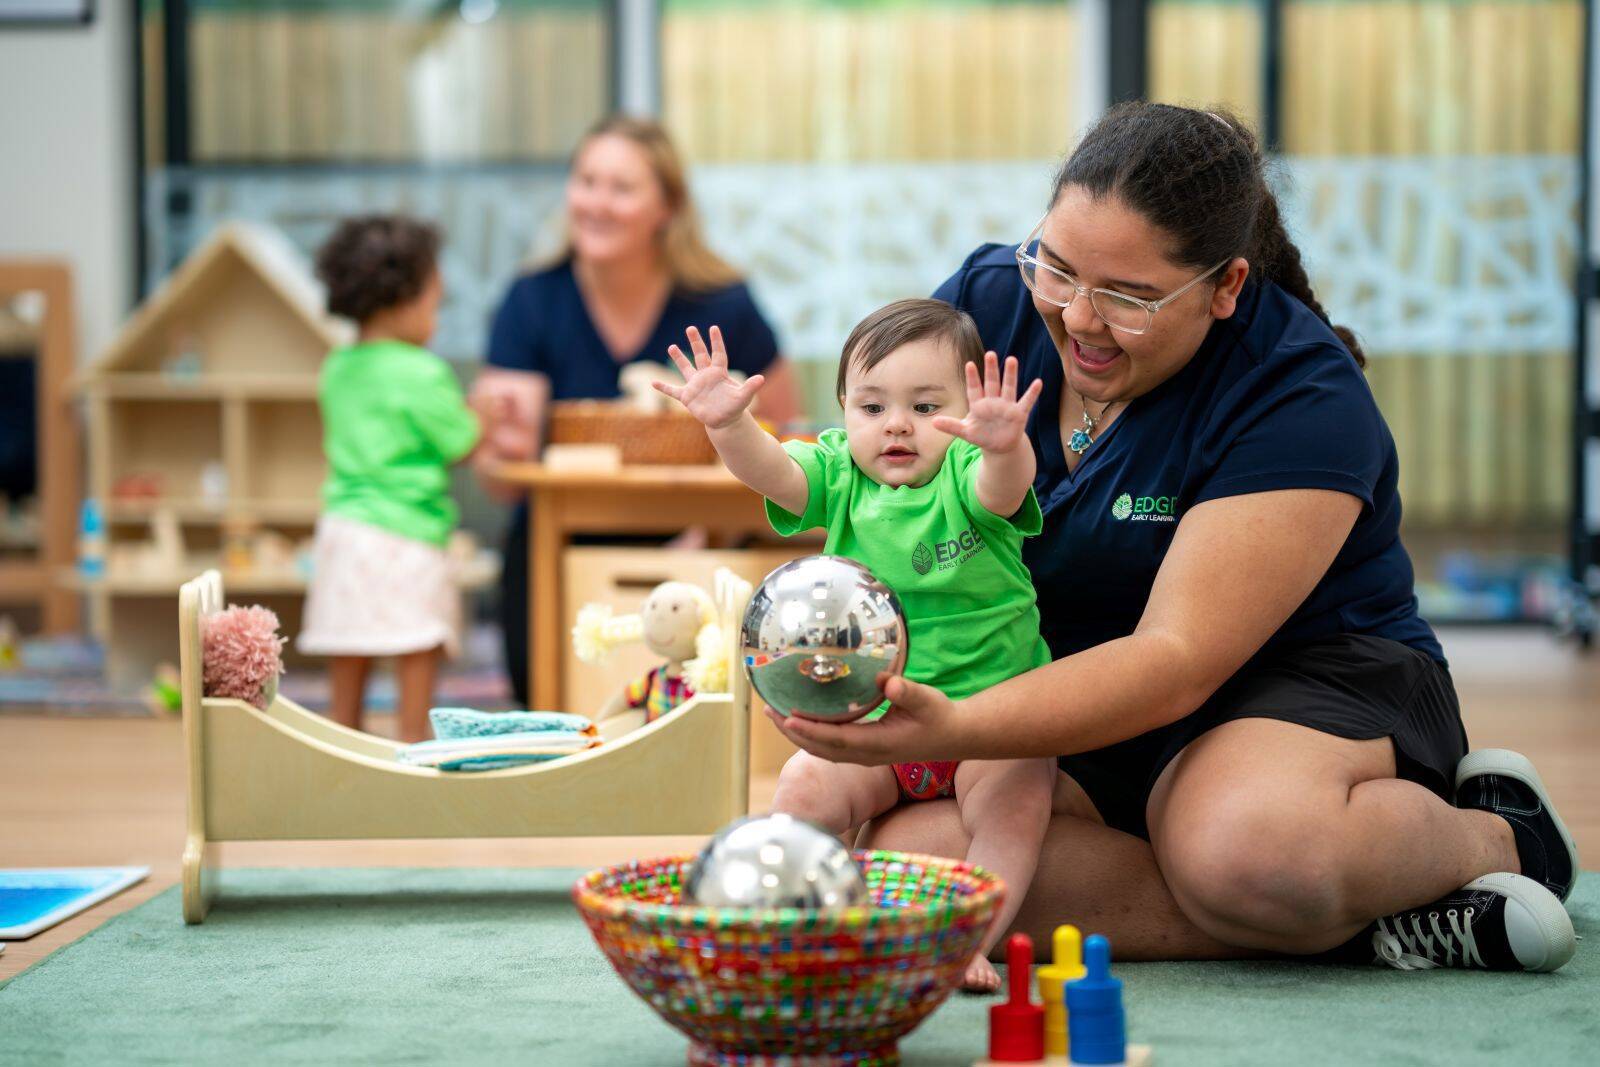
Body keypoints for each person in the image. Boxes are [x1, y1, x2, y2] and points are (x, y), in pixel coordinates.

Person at [767, 102, 1581, 974]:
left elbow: (1176, 658)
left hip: (1297, 677)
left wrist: (956, 724)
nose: (1079, 318)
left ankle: (1498, 839)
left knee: (1243, 849)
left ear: (1225, 286)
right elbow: (887, 498)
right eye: (1059, 268)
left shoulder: (1301, 393)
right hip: (1069, 683)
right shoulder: (986, 310)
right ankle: (1349, 915)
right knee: (918, 861)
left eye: (1128, 296)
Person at [658, 301, 1057, 992]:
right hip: (871, 720)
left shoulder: (966, 471)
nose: (896, 424)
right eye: (871, 407)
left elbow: (1005, 489)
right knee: (804, 784)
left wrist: (1003, 445)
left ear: (964, 408)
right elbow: (775, 473)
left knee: (1013, 809)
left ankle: (967, 939)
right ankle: (789, 915)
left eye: (927, 405)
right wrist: (729, 425)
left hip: (990, 719)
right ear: (843, 409)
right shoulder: (841, 475)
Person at [471, 116, 799, 706]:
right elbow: (502, 485)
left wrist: (712, 528)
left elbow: (790, 444)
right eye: (586, 181)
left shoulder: (726, 302)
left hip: (702, 555)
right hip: (555, 554)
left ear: (667, 207)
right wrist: (495, 444)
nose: (596, 203)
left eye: (621, 188)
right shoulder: (532, 300)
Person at [299, 216, 501, 743]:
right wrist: (483, 414)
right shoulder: (421, 371)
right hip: (408, 535)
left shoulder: (336, 367)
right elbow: (459, 441)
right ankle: (413, 740)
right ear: (402, 300)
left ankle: (343, 740)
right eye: (435, 305)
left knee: (350, 643)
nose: (435, 320)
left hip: (344, 533)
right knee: (418, 643)